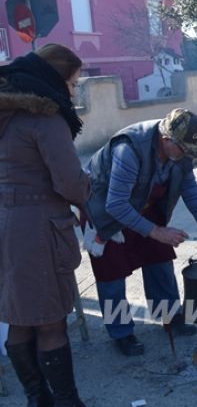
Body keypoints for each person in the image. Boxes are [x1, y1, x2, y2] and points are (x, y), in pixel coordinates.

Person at [83, 108, 197, 356]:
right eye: (182, 149)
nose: (185, 155)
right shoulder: (129, 149)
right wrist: (156, 231)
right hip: (105, 209)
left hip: (144, 205)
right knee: (111, 274)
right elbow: (116, 204)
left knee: (160, 259)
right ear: (165, 139)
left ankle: (170, 315)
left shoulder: (180, 151)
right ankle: (121, 332)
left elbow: (188, 184)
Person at [0, 44, 90, 406]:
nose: (73, 90)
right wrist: (87, 189)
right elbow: (69, 183)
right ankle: (66, 403)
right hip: (35, 229)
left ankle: (38, 400)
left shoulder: (5, 115)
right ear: (55, 78)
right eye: (73, 82)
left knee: (18, 317)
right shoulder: (45, 118)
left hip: (4, 225)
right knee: (50, 322)